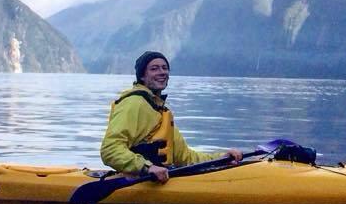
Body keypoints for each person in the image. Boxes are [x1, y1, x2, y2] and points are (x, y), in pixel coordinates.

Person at [100, 51, 243, 183]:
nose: (162, 72)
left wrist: (221, 158)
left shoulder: (160, 111)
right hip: (137, 180)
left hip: (157, 178)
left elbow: (186, 158)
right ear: (142, 76)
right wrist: (147, 167)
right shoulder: (134, 103)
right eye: (154, 69)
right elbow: (110, 149)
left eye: (165, 68)